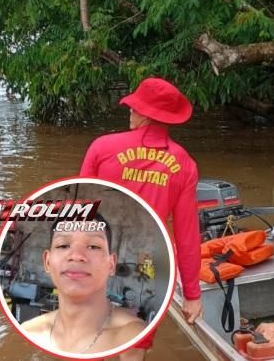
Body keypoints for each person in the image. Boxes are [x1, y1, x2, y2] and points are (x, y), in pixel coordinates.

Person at [79, 77, 203, 360]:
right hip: (150, 267)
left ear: (147, 114)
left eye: (134, 107)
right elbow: (187, 236)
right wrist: (193, 294)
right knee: (133, 345)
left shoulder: (102, 148)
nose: (130, 112)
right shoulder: (184, 164)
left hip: (100, 258)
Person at [21, 215, 145, 354]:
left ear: (111, 264)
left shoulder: (133, 338)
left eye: (93, 246)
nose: (76, 255)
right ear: (47, 261)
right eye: (63, 245)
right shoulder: (28, 333)